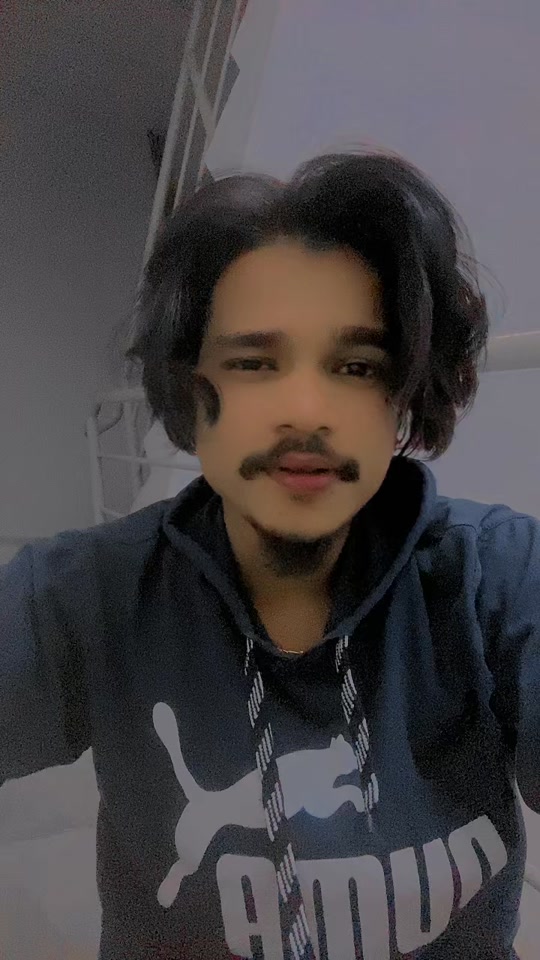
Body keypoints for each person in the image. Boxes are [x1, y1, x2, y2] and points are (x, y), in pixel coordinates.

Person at [1, 152, 539, 960]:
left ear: (402, 395)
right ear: (191, 391)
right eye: (254, 363)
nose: (305, 410)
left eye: (355, 366)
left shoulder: (494, 581)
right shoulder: (88, 596)